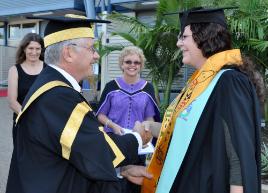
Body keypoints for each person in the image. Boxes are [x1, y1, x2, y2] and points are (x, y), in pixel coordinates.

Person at [122, 7, 265, 193]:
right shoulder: (200, 83)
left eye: (184, 37)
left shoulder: (229, 81)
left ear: (204, 37)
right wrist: (148, 127)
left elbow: (238, 153)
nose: (178, 43)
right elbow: (189, 132)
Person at [5, 15, 153, 193]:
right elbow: (99, 151)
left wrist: (121, 170)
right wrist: (138, 138)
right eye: (91, 48)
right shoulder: (58, 96)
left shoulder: (50, 85)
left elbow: (75, 152)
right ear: (68, 53)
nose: (97, 55)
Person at [96, 46, 160, 193]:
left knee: (135, 184)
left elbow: (149, 117)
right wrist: (112, 125)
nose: (132, 65)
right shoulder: (111, 86)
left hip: (137, 144)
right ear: (122, 64)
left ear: (141, 65)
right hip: (113, 142)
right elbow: (100, 114)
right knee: (111, 182)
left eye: (136, 62)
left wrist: (147, 132)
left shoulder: (148, 88)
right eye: (128, 61)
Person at [7, 33, 46, 144]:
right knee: (22, 159)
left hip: (44, 124)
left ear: (41, 50)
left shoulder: (48, 69)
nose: (34, 52)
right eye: (30, 48)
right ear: (24, 49)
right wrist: (31, 119)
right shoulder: (14, 70)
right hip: (22, 123)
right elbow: (12, 102)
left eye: (37, 48)